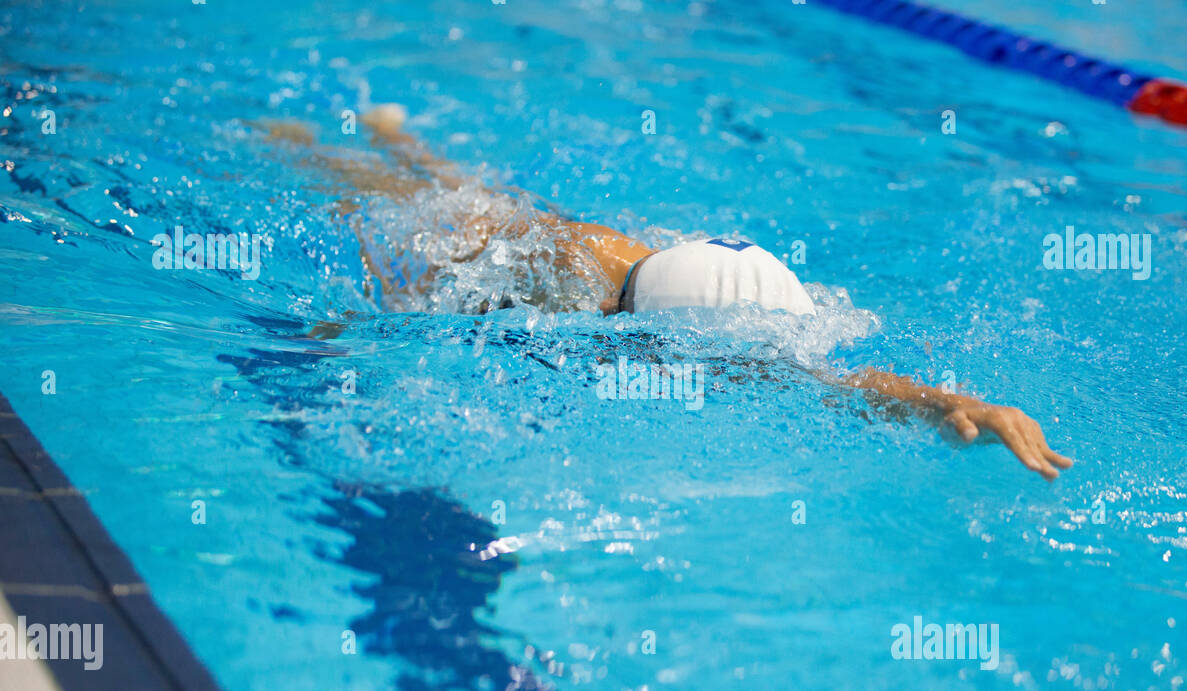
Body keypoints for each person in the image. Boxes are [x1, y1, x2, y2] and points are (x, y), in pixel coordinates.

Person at [265, 105, 1072, 480]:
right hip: (509, 248)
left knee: (481, 190)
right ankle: (306, 145)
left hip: (614, 254)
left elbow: (830, 381)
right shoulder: (557, 279)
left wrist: (950, 401)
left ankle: (396, 131)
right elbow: (426, 297)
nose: (738, 376)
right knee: (410, 204)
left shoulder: (688, 296)